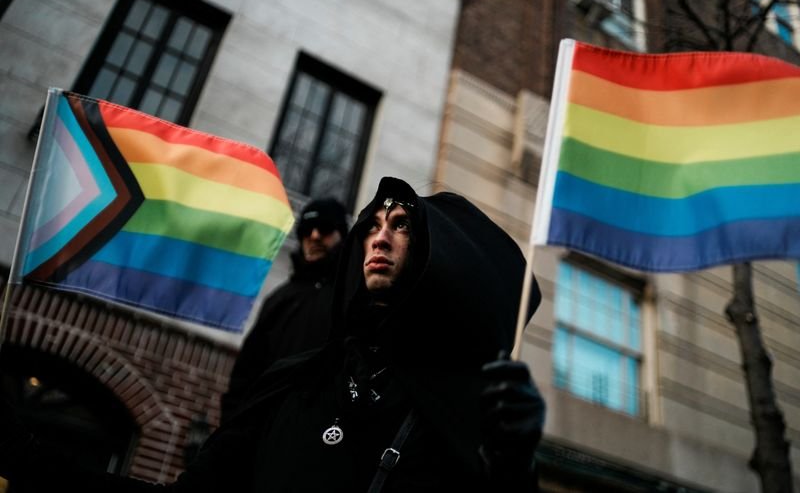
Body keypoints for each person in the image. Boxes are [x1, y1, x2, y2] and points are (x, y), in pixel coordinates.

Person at [0, 177, 545, 492]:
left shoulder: (459, 411)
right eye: (372, 227)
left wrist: (514, 464)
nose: (380, 239)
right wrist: (23, 455)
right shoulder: (294, 384)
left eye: (401, 225)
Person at [221, 198, 348, 421]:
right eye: (307, 229)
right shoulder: (279, 299)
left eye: (325, 228)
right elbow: (246, 372)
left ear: (342, 235)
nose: (314, 236)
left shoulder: (350, 296)